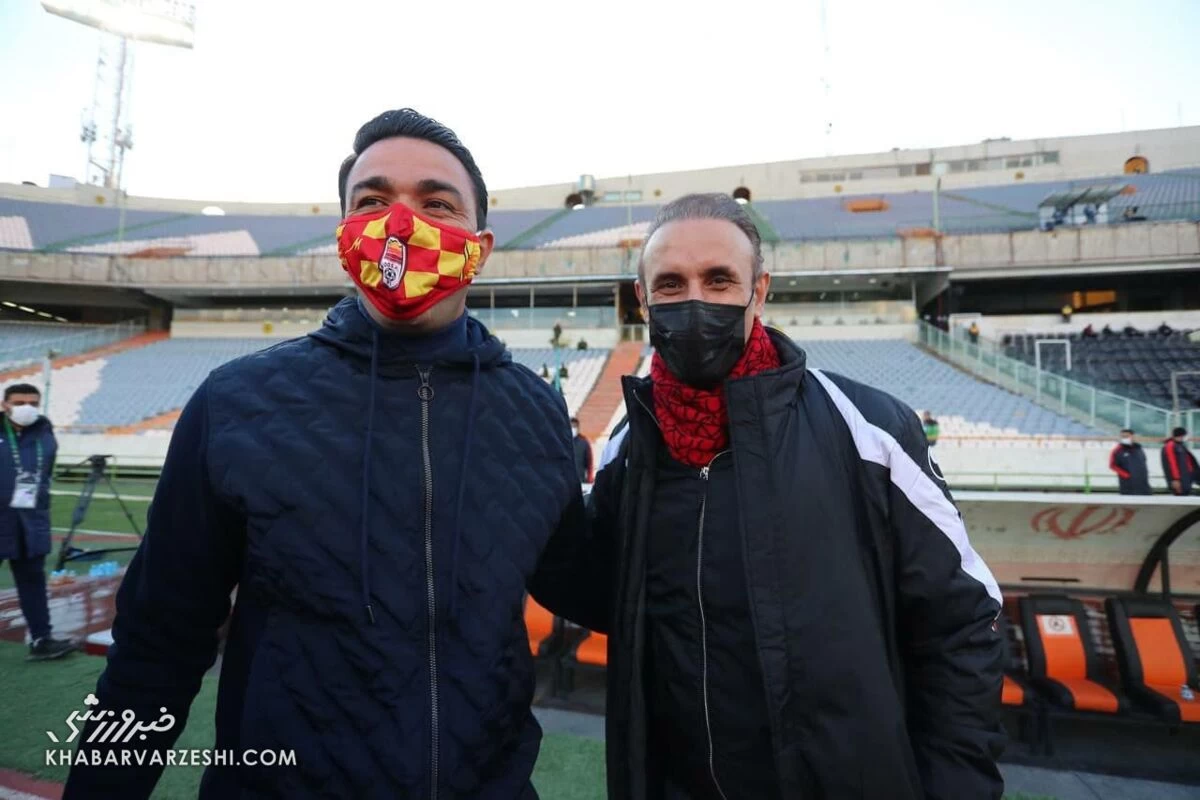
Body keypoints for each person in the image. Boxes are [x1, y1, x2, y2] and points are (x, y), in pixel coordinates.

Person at [64, 108, 605, 799]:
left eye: (437, 203)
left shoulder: (533, 409)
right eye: (373, 201)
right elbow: (156, 645)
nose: (401, 223)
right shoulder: (238, 402)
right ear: (344, 233)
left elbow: (577, 580)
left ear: (481, 244)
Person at [587, 194, 1005, 800]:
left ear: (759, 291)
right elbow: (599, 588)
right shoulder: (630, 444)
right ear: (643, 297)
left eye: (719, 280)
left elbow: (965, 619)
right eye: (671, 284)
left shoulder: (868, 428)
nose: (695, 301)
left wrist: (955, 787)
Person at [0, 384, 74, 661]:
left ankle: (42, 639)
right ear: (5, 404)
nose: (27, 407)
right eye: (19, 401)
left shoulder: (45, 433)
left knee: (33, 582)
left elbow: (45, 473)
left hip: (30, 522)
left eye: (33, 401)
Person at [1109, 428, 1151, 495]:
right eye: (1123, 437)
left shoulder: (1139, 448)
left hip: (1143, 484)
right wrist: (1126, 475)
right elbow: (1112, 465)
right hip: (1128, 485)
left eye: (1126, 436)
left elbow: (1144, 461)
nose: (1124, 438)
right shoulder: (1117, 450)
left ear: (1133, 436)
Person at [1162, 427, 1198, 496]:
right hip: (1180, 480)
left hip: (1186, 477)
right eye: (1184, 435)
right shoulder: (1170, 445)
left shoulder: (1179, 445)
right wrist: (1176, 479)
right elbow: (1172, 464)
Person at [571, 416, 594, 484]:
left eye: (575, 426)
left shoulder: (584, 443)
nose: (573, 429)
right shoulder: (563, 442)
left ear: (578, 428)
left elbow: (589, 462)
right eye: (571, 426)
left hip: (580, 481)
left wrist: (589, 478)